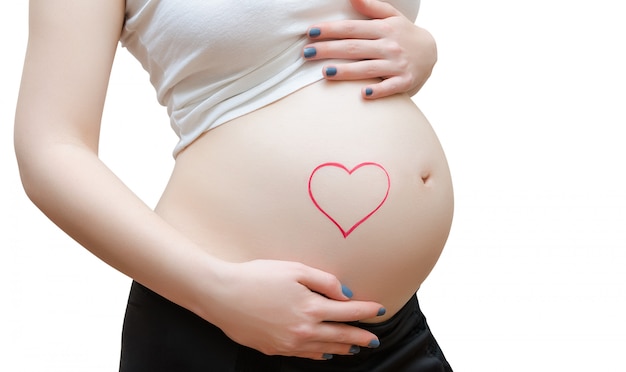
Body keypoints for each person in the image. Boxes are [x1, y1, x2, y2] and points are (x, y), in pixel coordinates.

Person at [14, 0, 453, 370]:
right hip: (222, 330)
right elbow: (50, 149)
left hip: (390, 335)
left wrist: (421, 47)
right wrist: (217, 292)